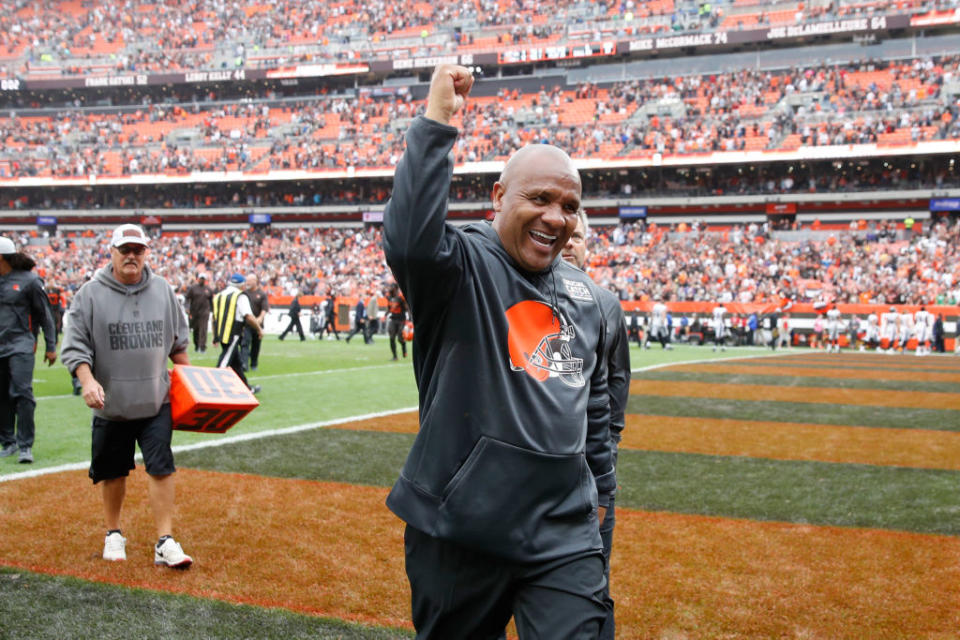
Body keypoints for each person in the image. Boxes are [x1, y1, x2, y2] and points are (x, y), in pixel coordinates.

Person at [382, 64, 614, 639]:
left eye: (570, 205)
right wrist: (436, 122)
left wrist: (602, 502)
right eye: (539, 198)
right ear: (497, 196)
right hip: (461, 527)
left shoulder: (586, 297)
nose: (556, 218)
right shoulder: (459, 266)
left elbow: (590, 413)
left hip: (563, 533)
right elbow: (409, 239)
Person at [59, 224, 193, 568]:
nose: (132, 256)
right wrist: (87, 381)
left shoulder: (163, 290)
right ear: (112, 252)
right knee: (112, 472)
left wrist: (193, 382)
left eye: (138, 250)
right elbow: (75, 347)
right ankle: (113, 533)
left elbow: (179, 345)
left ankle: (165, 540)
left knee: (162, 467)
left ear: (146, 252)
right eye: (125, 250)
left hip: (155, 399)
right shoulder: (89, 294)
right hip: (112, 402)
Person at [559, 209, 631, 640]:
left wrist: (607, 461)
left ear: (588, 247)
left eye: (579, 237)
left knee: (591, 588)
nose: (569, 242)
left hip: (589, 475)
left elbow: (616, 390)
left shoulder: (605, 305)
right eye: (566, 235)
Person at [0, 236, 57, 464]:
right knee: (1, 396)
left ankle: (25, 446)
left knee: (22, 393)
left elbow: (45, 315)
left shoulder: (30, 281)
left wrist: (51, 346)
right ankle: (8, 442)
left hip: (21, 344)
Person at [212, 273, 263, 394]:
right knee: (224, 361)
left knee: (237, 364)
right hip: (233, 332)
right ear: (241, 285)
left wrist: (215, 336)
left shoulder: (219, 295)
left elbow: (214, 318)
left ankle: (247, 388)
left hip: (221, 332)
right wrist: (259, 329)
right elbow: (248, 316)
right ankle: (212, 386)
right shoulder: (240, 296)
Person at [241, 274, 268, 370]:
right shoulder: (244, 293)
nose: (247, 283)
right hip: (247, 324)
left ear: (255, 281)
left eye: (249, 281)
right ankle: (244, 364)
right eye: (246, 280)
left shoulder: (262, 294)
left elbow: (264, 309)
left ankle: (254, 364)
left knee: (256, 345)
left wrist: (260, 318)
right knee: (245, 343)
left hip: (258, 324)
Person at [183, 272, 213, 353]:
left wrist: (212, 311)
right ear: (198, 279)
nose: (202, 280)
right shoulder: (193, 288)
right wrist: (187, 308)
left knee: (203, 329)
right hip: (194, 312)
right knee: (195, 330)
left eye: (203, 279)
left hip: (204, 312)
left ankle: (202, 347)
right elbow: (187, 298)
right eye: (201, 278)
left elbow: (211, 301)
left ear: (205, 280)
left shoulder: (208, 289)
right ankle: (197, 346)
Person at [385, 282, 408, 360]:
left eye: (392, 287)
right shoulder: (389, 297)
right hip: (393, 319)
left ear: (395, 288)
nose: (390, 289)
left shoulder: (401, 297)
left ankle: (404, 348)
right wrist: (386, 314)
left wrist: (409, 319)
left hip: (401, 319)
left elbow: (407, 308)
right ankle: (395, 356)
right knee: (391, 338)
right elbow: (389, 308)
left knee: (400, 338)